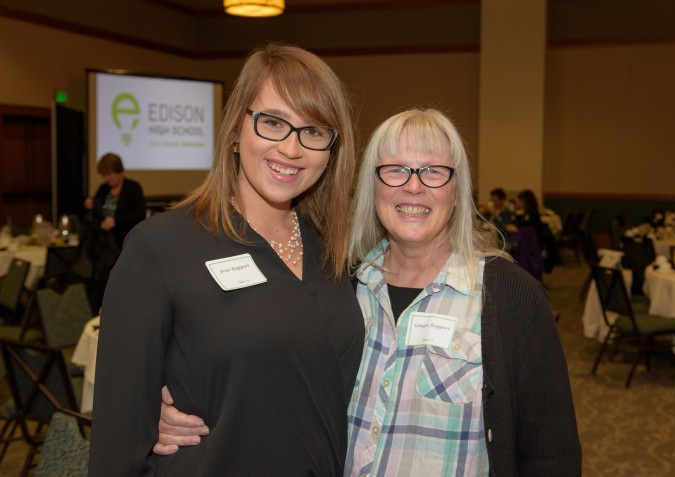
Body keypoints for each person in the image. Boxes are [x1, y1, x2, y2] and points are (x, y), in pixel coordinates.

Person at [155, 109, 582, 475]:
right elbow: (273, 381)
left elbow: (551, 453)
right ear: (374, 187)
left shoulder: (510, 298)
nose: (413, 186)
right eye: (395, 169)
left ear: (457, 192)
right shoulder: (340, 286)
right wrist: (172, 412)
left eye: (433, 171)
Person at [88, 43, 365, 476]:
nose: (292, 149)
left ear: (331, 149)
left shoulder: (333, 253)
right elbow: (116, 441)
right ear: (237, 128)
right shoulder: (160, 248)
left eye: (313, 131)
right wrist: (146, 413)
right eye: (273, 122)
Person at [82, 152, 145, 311]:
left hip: (124, 243)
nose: (107, 179)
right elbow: (96, 214)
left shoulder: (133, 188)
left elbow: (139, 214)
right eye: (104, 175)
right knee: (101, 282)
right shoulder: (103, 190)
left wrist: (116, 221)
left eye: (110, 174)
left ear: (119, 171)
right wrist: (91, 204)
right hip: (104, 246)